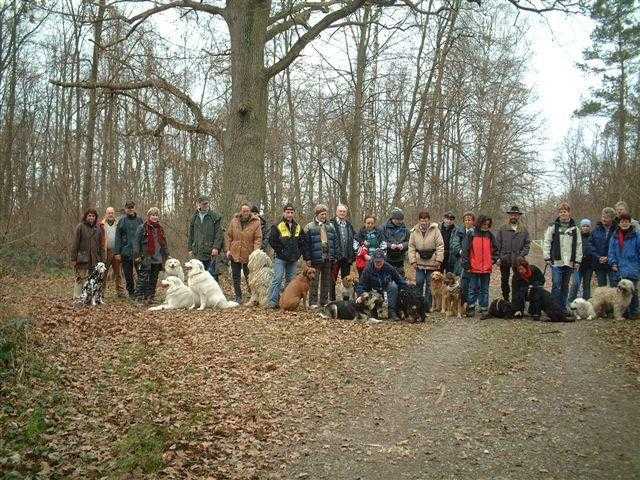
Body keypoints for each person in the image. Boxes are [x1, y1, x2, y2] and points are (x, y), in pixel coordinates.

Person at [543, 202, 582, 314]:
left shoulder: (575, 229)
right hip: (556, 261)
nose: (562, 213)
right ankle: (553, 308)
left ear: (569, 213)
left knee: (565, 286)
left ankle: (562, 308)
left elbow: (579, 245)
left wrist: (578, 260)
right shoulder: (552, 227)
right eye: (560, 212)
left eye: (564, 211)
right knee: (556, 284)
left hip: (569, 262)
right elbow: (547, 242)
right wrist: (547, 257)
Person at [268, 204, 305, 308]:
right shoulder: (277, 225)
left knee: (290, 281)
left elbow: (303, 241)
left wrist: (298, 253)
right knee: (278, 279)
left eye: (292, 212)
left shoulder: (298, 227)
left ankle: (286, 302)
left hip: (293, 259)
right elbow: (272, 240)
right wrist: (281, 250)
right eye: (288, 212)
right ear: (284, 213)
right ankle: (273, 302)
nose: (290, 215)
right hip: (280, 258)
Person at [408, 210, 444, 313]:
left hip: (432, 260)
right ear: (419, 220)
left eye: (426, 220)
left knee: (430, 283)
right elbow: (411, 247)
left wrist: (439, 259)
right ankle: (418, 303)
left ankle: (428, 305)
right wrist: (413, 261)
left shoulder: (435, 230)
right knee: (419, 282)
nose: (424, 222)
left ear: (429, 220)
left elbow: (440, 245)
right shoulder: (414, 231)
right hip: (419, 260)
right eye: (422, 220)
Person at [461, 214, 497, 317]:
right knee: (473, 288)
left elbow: (495, 249)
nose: (486, 226)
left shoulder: (490, 235)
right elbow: (465, 250)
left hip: (486, 268)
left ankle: (484, 307)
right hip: (474, 267)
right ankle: (471, 307)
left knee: (485, 289)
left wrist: (492, 260)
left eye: (488, 224)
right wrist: (466, 265)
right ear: (479, 223)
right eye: (484, 224)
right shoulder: (471, 234)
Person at [226, 203, 262, 304]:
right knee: (235, 275)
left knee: (249, 275)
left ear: (250, 211)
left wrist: (256, 252)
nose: (245, 213)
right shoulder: (234, 221)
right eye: (243, 211)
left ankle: (253, 296)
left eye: (247, 211)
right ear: (240, 211)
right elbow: (229, 236)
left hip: (249, 253)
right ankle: (238, 296)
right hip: (235, 251)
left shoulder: (256, 222)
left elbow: (258, 238)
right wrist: (228, 249)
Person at [356, 250, 408, 321]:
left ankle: (391, 311)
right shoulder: (367, 269)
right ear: (373, 260)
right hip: (373, 290)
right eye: (376, 261)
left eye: (380, 261)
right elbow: (361, 285)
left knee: (393, 286)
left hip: (385, 287)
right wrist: (360, 295)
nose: (378, 263)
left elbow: (399, 280)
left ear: (384, 260)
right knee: (366, 295)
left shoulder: (389, 267)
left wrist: (406, 289)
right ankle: (373, 311)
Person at [303, 204, 337, 307]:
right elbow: (306, 244)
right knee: (314, 281)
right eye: (322, 214)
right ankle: (313, 302)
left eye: (325, 214)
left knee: (326, 280)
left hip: (328, 256)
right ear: (317, 214)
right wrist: (307, 258)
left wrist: (334, 255)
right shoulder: (309, 226)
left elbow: (335, 242)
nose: (324, 216)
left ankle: (324, 301)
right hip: (315, 257)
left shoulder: (330, 226)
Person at [133, 207, 169, 304]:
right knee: (143, 278)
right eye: (153, 215)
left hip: (158, 257)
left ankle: (150, 297)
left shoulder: (160, 228)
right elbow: (136, 243)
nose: (155, 217)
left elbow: (164, 243)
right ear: (149, 216)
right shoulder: (142, 227)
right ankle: (138, 297)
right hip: (146, 257)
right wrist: (137, 256)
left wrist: (167, 254)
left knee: (154, 279)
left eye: (156, 215)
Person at [495, 206, 530, 302]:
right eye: (512, 214)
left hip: (518, 260)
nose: (513, 216)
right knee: (504, 280)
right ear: (509, 215)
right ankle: (506, 298)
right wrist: (498, 257)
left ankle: (517, 300)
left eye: (516, 215)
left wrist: (521, 256)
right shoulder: (502, 228)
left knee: (519, 279)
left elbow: (527, 244)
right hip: (504, 258)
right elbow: (497, 244)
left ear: (519, 216)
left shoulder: (523, 229)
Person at [608, 212, 640, 319]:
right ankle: (622, 313)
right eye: (622, 221)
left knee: (633, 292)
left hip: (633, 267)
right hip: (618, 268)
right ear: (619, 223)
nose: (624, 223)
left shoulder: (636, 235)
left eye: (626, 221)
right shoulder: (614, 236)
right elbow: (611, 252)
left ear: (630, 223)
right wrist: (612, 263)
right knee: (619, 292)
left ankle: (634, 313)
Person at [70, 208, 103, 299]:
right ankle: (77, 297)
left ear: (95, 217)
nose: (91, 217)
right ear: (86, 217)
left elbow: (101, 246)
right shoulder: (80, 227)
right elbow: (75, 244)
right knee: (80, 278)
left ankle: (89, 297)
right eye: (89, 216)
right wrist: (73, 258)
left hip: (94, 258)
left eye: (93, 216)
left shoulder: (98, 229)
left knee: (92, 279)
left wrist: (102, 259)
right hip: (82, 258)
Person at [188, 195, 223, 280]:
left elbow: (219, 234)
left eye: (207, 203)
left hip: (211, 251)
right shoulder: (194, 217)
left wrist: (216, 247)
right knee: (199, 276)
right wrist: (190, 248)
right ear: (199, 204)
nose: (206, 205)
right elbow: (191, 234)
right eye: (204, 204)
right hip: (198, 251)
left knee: (212, 276)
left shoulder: (215, 217)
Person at [114, 201, 144, 298]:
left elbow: (144, 236)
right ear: (125, 209)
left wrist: (144, 251)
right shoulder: (121, 221)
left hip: (138, 253)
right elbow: (117, 237)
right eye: (128, 208)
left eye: (132, 207)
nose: (130, 209)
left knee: (141, 273)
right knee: (128, 275)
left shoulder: (140, 220)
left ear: (134, 208)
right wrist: (117, 252)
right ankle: (131, 293)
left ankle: (141, 292)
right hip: (125, 252)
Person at [330, 204, 356, 301]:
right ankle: (331, 300)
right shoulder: (331, 224)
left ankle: (346, 301)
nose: (342, 213)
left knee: (346, 280)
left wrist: (352, 256)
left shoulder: (349, 225)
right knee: (332, 279)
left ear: (346, 213)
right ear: (336, 212)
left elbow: (353, 239)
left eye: (344, 211)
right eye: (340, 211)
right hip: (335, 256)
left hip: (346, 257)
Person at [99, 207, 126, 297]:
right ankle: (101, 292)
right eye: (109, 213)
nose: (110, 214)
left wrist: (120, 250)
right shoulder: (101, 225)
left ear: (114, 214)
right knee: (104, 273)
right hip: (106, 252)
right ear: (106, 214)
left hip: (116, 251)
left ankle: (120, 292)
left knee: (118, 273)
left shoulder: (118, 224)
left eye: (112, 213)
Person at [590, 207, 619, 287]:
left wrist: (608, 258)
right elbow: (590, 245)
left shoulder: (617, 230)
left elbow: (619, 247)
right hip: (599, 264)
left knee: (614, 288)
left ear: (612, 219)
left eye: (606, 217)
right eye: (603, 216)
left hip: (613, 264)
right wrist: (598, 257)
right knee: (601, 289)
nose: (603, 219)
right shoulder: (596, 229)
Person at [451, 211, 475, 305]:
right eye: (466, 220)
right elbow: (454, 244)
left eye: (469, 220)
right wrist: (462, 252)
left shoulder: (476, 232)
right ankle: (461, 303)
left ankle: (471, 303)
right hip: (461, 260)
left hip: (473, 261)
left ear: (473, 221)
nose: (467, 222)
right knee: (462, 283)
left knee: (472, 284)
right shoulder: (459, 231)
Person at [568, 219, 595, 302]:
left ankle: (586, 303)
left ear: (590, 227)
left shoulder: (593, 237)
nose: (585, 228)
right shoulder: (576, 236)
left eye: (587, 226)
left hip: (589, 265)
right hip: (578, 264)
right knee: (575, 284)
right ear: (581, 227)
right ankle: (570, 301)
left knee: (586, 285)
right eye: (583, 226)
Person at [381, 208, 410, 277]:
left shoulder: (405, 230)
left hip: (400, 259)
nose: (399, 222)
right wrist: (390, 245)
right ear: (392, 219)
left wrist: (403, 245)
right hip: (387, 257)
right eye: (397, 220)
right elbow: (381, 241)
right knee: (387, 277)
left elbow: (410, 242)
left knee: (400, 278)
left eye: (401, 220)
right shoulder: (384, 228)